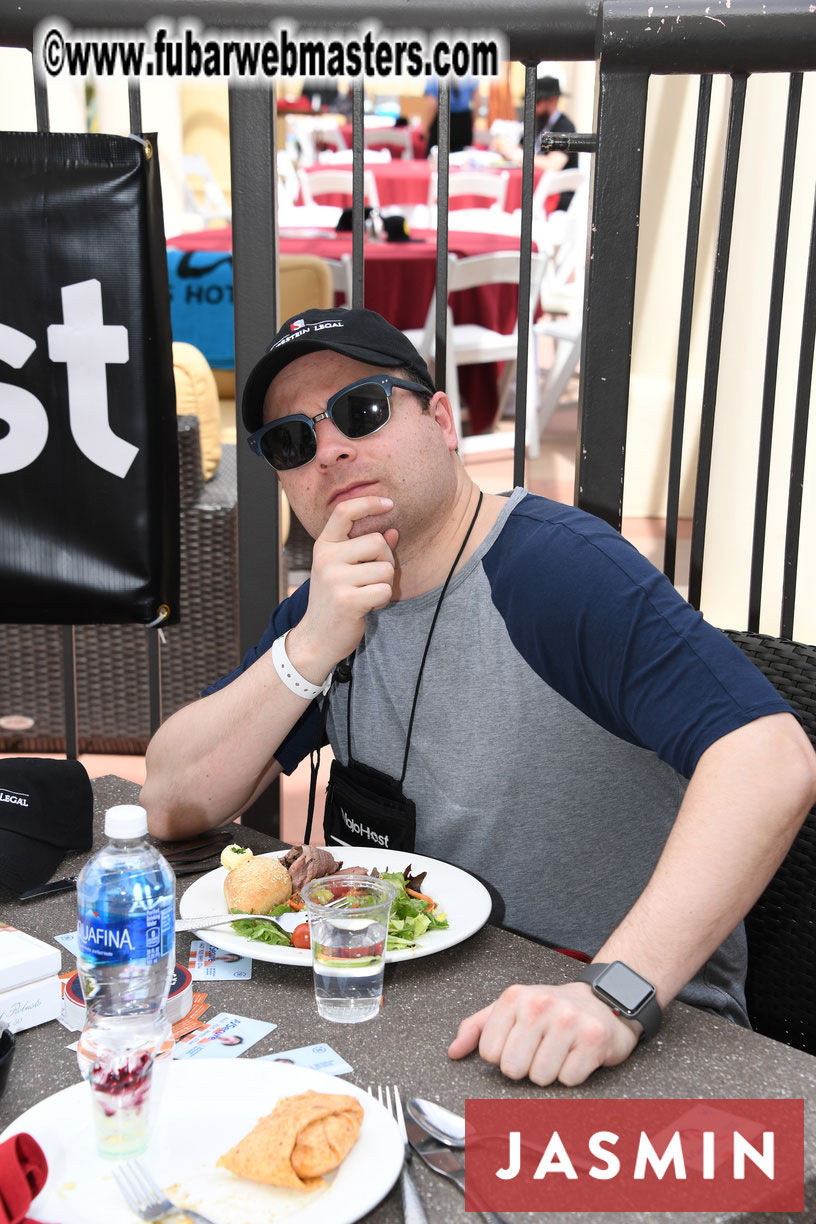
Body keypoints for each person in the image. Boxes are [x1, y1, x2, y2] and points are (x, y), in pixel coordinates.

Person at [141, 307, 816, 1088]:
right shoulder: (334, 598)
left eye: (360, 409)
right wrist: (309, 648)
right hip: (420, 1016)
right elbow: (169, 801)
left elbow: (772, 758)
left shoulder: (555, 569)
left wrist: (615, 993)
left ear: (441, 419)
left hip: (618, 1033)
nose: (329, 448)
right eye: (291, 441)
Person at [492, 73, 578, 208]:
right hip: (533, 190)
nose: (533, 107)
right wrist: (505, 146)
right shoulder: (536, 123)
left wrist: (519, 156)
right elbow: (520, 148)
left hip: (555, 197)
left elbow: (554, 165)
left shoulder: (565, 126)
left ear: (553, 101)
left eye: (537, 101)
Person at [422, 77, 479, 154]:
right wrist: (471, 123)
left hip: (442, 121)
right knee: (461, 159)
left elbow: (432, 105)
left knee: (436, 159)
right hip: (464, 122)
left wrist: (426, 129)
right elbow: (477, 102)